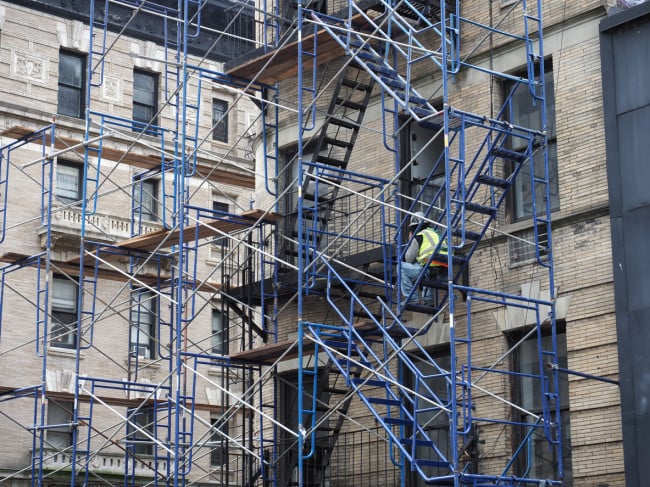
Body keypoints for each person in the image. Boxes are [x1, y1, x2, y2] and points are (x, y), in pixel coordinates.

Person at [400, 211, 447, 306]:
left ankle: (412, 298)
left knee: (400, 267)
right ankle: (428, 299)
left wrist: (410, 240)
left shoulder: (419, 236)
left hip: (429, 270)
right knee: (424, 265)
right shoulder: (437, 234)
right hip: (444, 273)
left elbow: (408, 258)